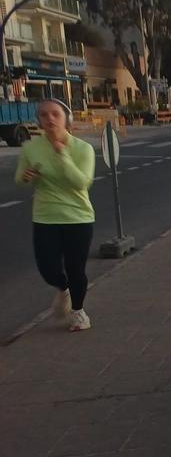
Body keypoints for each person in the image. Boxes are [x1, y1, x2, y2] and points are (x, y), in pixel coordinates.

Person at [13, 98, 96, 331]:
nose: (49, 118)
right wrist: (27, 177)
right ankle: (63, 289)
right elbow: (19, 180)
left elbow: (82, 182)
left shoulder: (82, 148)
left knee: (75, 268)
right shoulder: (31, 148)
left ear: (66, 119)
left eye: (55, 114)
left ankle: (79, 313)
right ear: (38, 119)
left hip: (78, 217)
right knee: (48, 268)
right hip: (45, 217)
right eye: (43, 114)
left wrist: (63, 154)